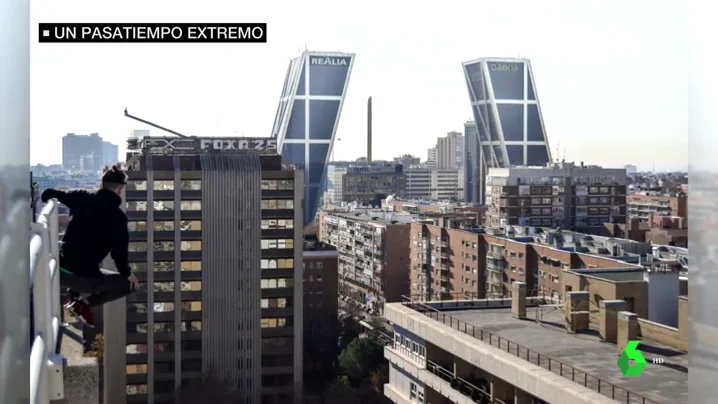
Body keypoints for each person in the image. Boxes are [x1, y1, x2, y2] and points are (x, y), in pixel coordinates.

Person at [41, 165, 139, 327]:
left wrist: (46, 196)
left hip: (62, 264)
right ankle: (82, 304)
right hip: (81, 277)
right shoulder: (118, 217)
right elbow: (119, 253)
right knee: (127, 285)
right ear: (120, 189)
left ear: (102, 184)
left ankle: (74, 298)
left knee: (82, 252)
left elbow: (54, 194)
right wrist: (128, 274)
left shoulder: (82, 198)